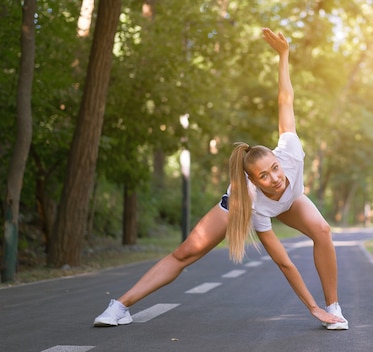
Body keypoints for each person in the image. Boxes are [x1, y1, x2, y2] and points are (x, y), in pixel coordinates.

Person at [93, 28, 348, 330]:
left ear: (280, 162)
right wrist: (311, 308)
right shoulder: (249, 198)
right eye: (264, 176)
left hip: (291, 203)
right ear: (252, 180)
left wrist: (283, 56)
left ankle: (335, 307)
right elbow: (284, 262)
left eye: (275, 169)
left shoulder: (291, 151)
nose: (275, 178)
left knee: (322, 229)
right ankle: (119, 306)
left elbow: (285, 100)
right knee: (185, 253)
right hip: (239, 208)